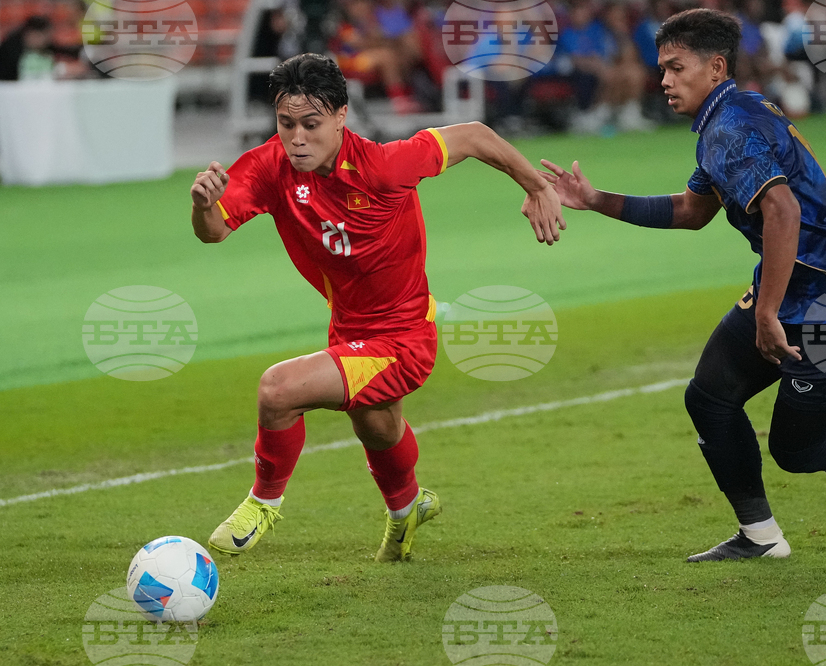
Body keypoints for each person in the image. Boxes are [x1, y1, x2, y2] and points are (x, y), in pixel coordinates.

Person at [539, 9, 826, 562]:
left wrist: (766, 312)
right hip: (791, 290)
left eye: (676, 68)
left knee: (797, 450)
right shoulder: (728, 116)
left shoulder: (731, 127)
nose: (664, 80)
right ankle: (760, 536)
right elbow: (692, 209)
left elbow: (783, 212)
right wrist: (595, 200)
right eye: (662, 68)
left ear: (716, 66)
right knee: (709, 398)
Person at [190, 53, 564, 562]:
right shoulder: (268, 167)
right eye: (286, 123)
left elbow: (475, 135)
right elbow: (213, 233)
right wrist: (203, 206)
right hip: (349, 332)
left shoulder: (385, 167)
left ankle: (264, 501)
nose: (296, 137)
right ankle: (407, 508)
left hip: (405, 339)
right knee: (377, 426)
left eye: (310, 124)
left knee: (278, 390)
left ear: (341, 117)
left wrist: (538, 186)